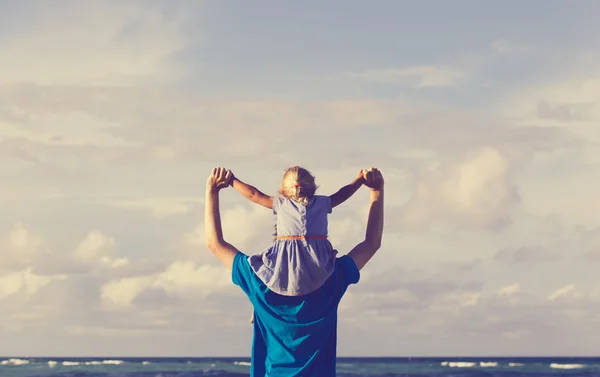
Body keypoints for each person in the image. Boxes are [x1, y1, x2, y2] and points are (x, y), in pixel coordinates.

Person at [205, 166, 384, 377]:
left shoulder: (259, 281)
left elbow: (215, 244)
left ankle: (258, 312)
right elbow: (371, 243)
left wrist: (212, 190)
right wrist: (376, 191)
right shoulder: (333, 277)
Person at [228, 166, 365, 323]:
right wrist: (359, 181)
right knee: (317, 283)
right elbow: (343, 194)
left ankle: (260, 306)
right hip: (316, 262)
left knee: (263, 272)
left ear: (284, 190)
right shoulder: (322, 203)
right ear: (312, 187)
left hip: (285, 261)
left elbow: (254, 195)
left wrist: (232, 180)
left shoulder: (280, 203)